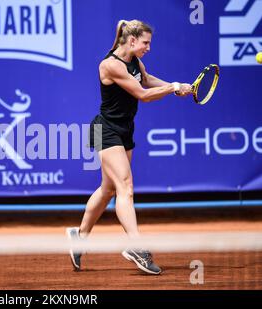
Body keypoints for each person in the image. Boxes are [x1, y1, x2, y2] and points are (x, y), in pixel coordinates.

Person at [66, 20, 192, 275]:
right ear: (132, 40)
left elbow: (146, 80)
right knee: (126, 187)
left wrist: (176, 86)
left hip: (124, 130)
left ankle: (79, 236)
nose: (148, 48)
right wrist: (172, 89)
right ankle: (136, 246)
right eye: (146, 43)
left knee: (108, 189)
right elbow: (142, 94)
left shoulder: (135, 60)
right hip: (106, 130)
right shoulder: (110, 65)